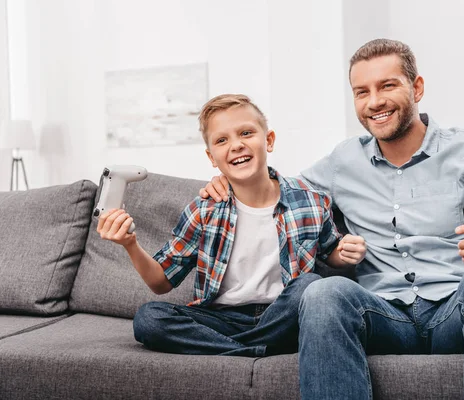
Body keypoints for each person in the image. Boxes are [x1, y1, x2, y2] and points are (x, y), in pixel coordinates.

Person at [200, 40, 464, 399]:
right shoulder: (343, 162)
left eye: (387, 86)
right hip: (382, 315)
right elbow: (278, 192)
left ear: (417, 87)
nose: (374, 102)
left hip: (457, 310)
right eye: (361, 92)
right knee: (322, 293)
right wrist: (229, 181)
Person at [97, 94, 367, 357]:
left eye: (246, 133)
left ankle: (236, 347)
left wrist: (343, 254)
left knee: (309, 284)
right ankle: (259, 348)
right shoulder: (204, 210)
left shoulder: (310, 200)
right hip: (222, 317)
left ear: (268, 140)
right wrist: (130, 244)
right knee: (149, 318)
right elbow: (161, 282)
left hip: (284, 313)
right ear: (212, 157)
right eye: (222, 140)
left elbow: (330, 251)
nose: (236, 145)